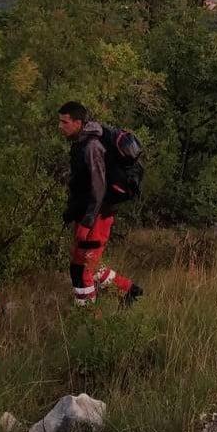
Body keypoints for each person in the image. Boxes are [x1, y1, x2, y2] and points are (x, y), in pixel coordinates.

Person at [58, 101, 143, 307]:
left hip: (96, 217)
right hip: (89, 215)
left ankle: (88, 321)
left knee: (82, 270)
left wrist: (87, 222)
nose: (61, 126)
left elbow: (98, 187)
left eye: (65, 122)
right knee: (89, 266)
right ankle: (129, 290)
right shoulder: (82, 143)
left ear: (78, 122)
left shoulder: (92, 146)